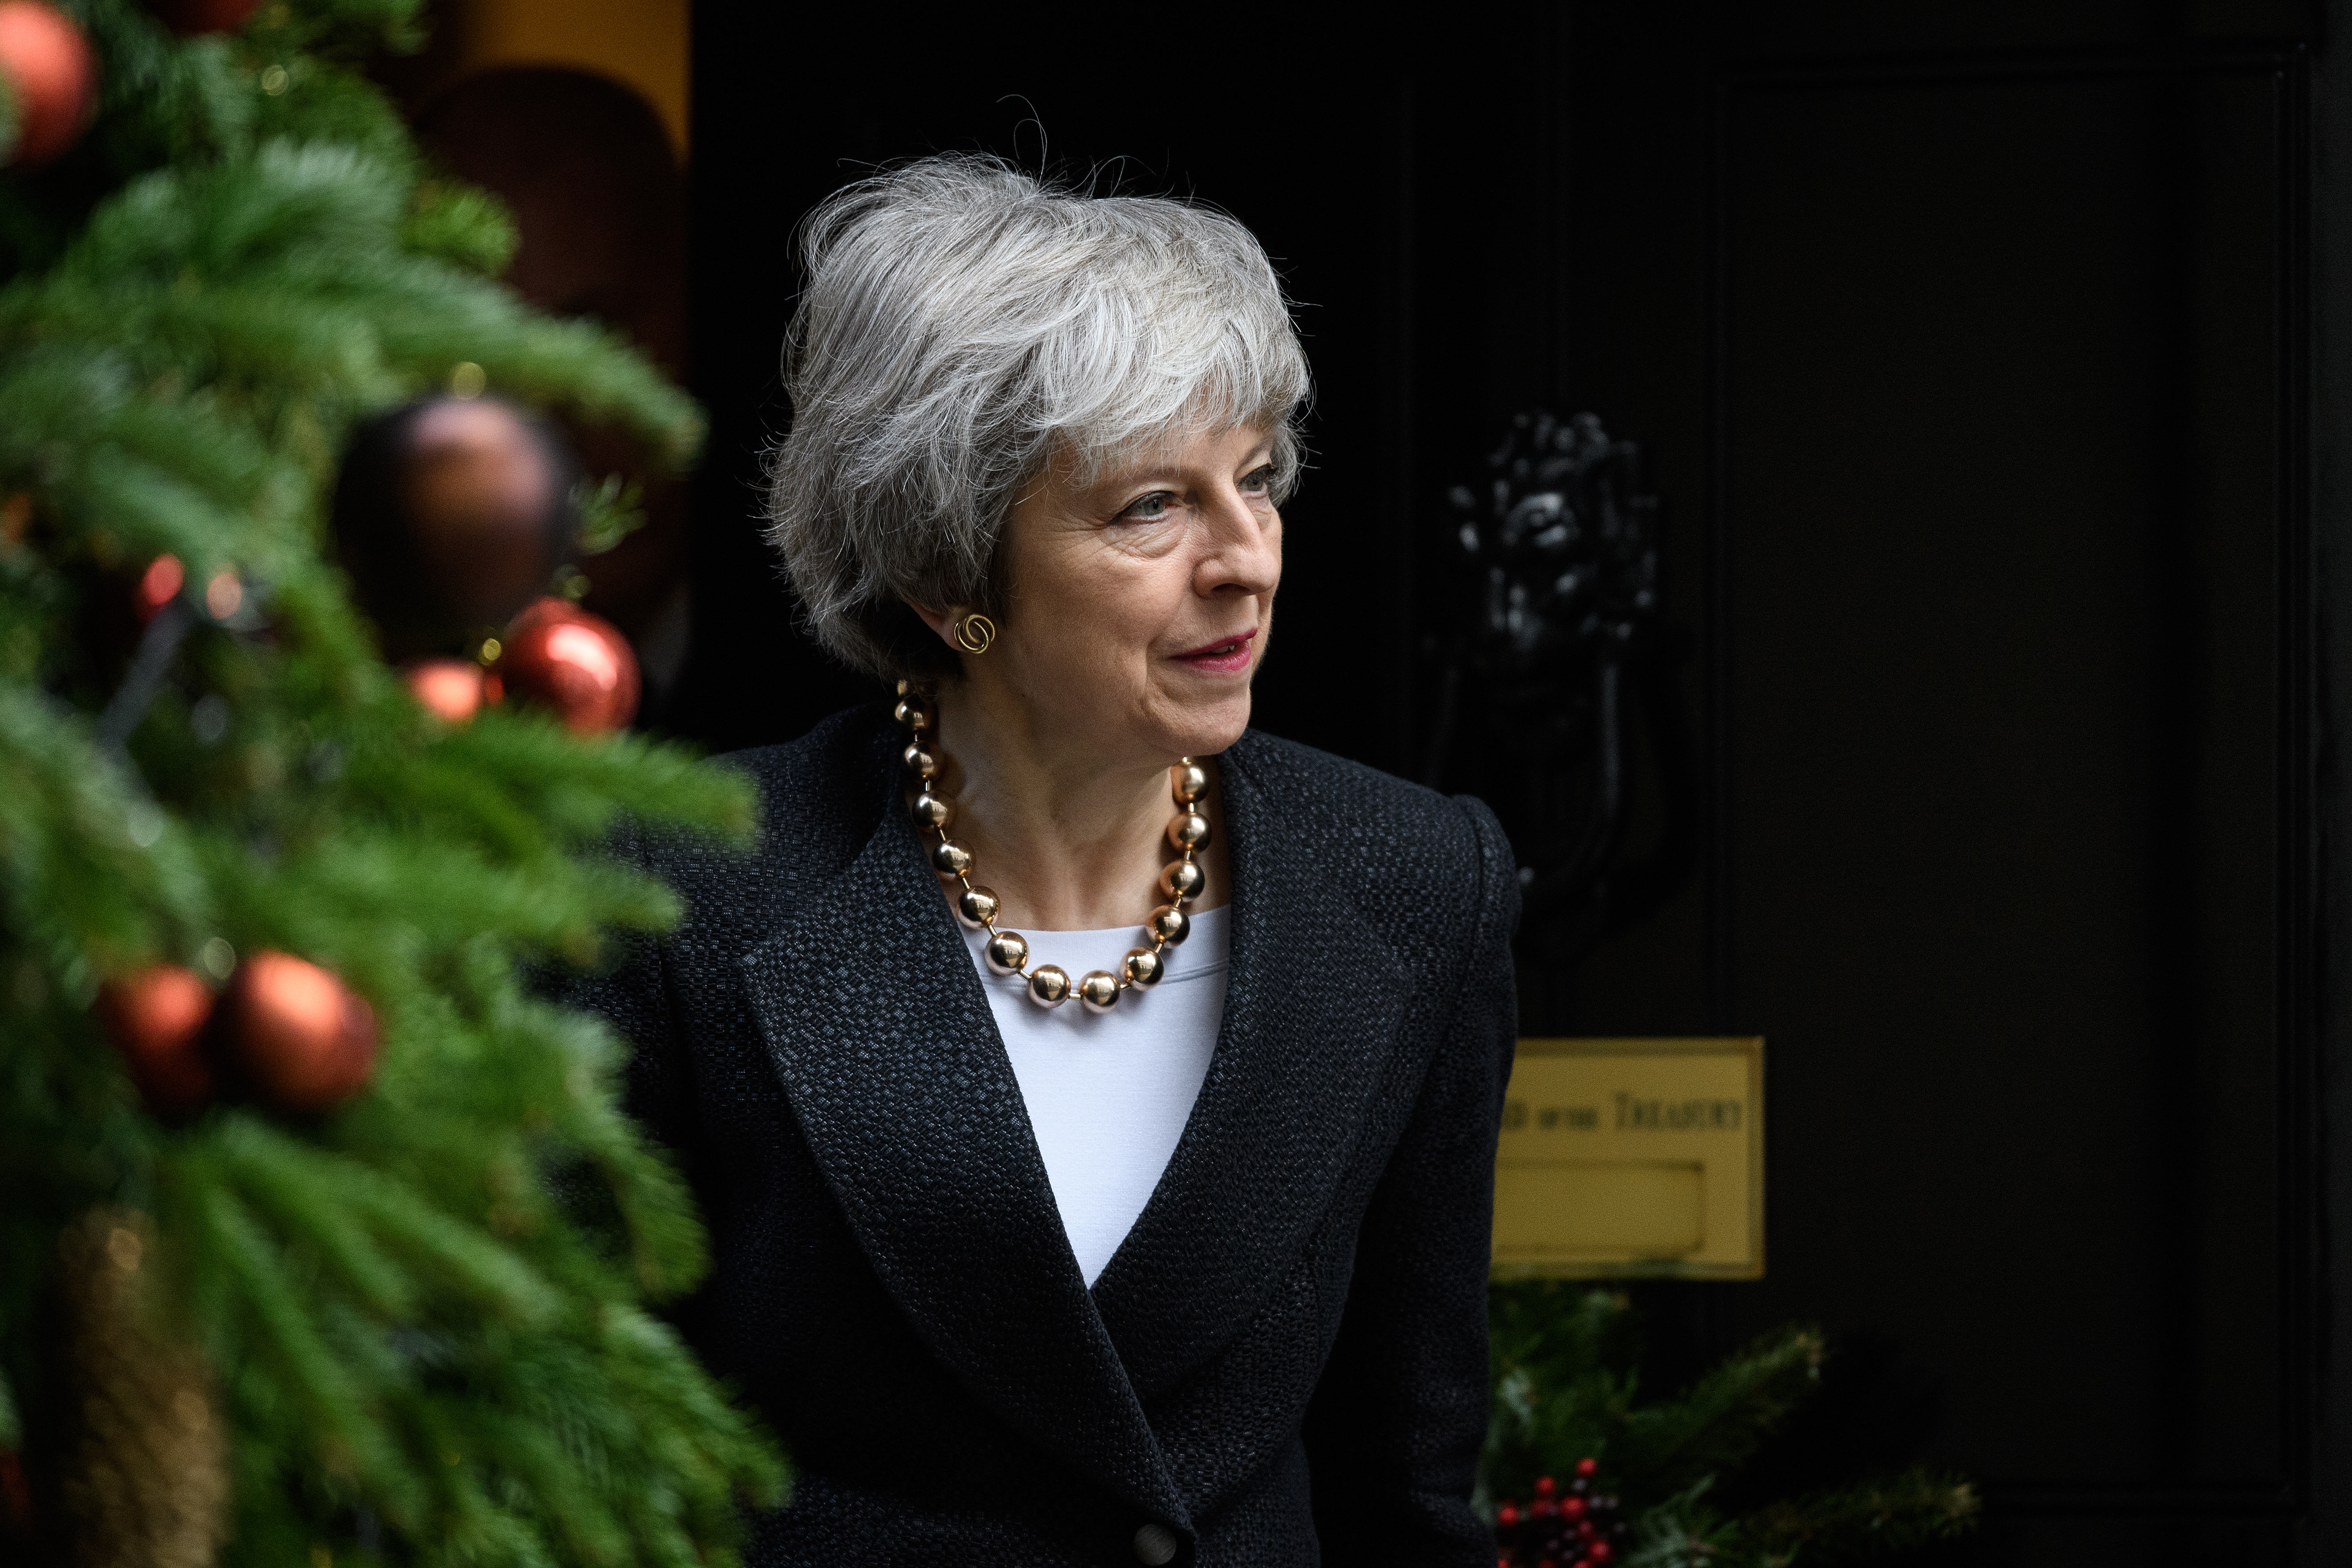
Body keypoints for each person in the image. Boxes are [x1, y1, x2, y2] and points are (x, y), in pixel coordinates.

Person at [575, 155, 1519, 1567]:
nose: (1246, 557)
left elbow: (1410, 1482)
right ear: (947, 576)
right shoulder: (683, 882)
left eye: (1256, 479)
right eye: (1152, 506)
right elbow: (581, 1453)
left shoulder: (1413, 879)